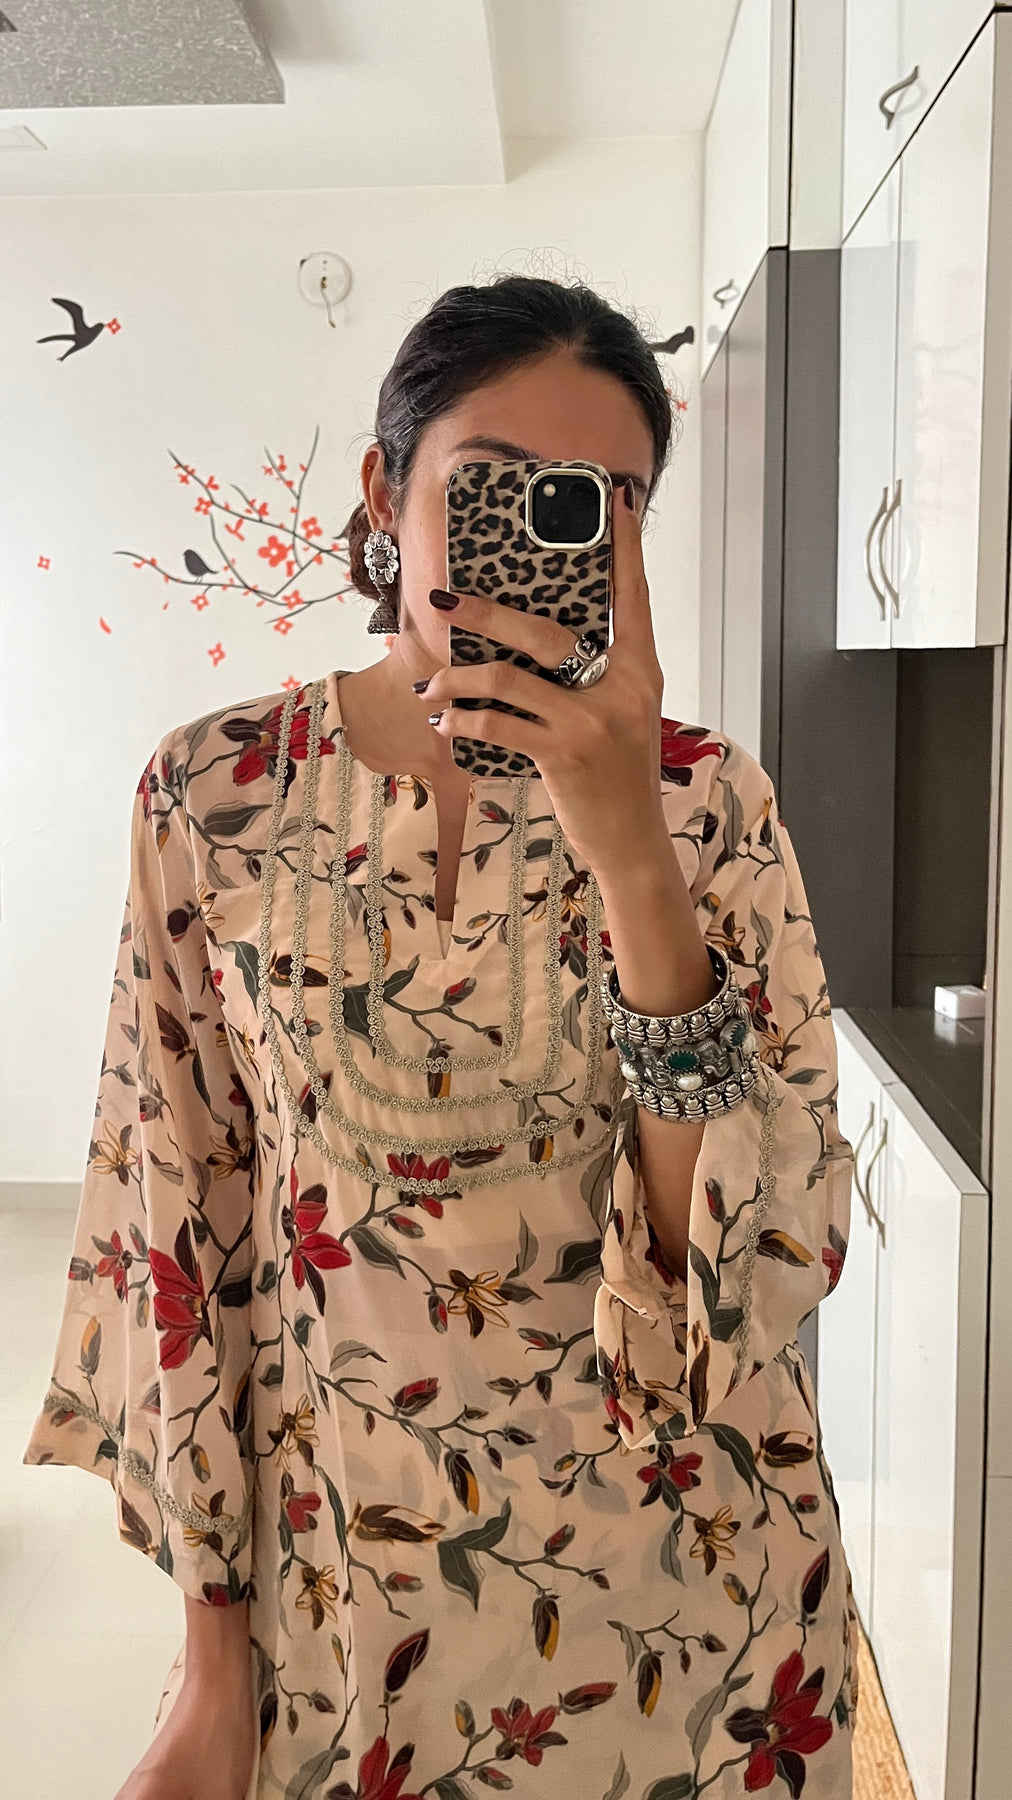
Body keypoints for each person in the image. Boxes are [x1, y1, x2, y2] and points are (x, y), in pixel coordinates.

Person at [24, 274, 859, 1800]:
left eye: (599, 501)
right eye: (495, 484)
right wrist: (213, 1662)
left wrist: (632, 855)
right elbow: (179, 1226)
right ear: (384, 490)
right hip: (349, 1589)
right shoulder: (214, 792)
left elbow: (760, 1249)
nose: (546, 531)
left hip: (695, 1600)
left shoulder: (708, 803)